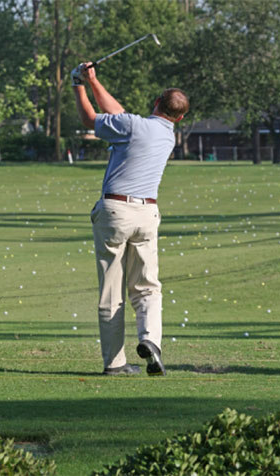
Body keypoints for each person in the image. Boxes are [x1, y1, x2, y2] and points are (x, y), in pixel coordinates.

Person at [71, 62, 189, 376]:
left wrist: (79, 84)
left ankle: (115, 363)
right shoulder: (167, 136)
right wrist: (94, 81)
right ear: (179, 117)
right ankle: (150, 341)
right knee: (148, 286)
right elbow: (121, 116)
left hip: (114, 212)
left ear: (155, 103)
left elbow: (92, 119)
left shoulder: (133, 126)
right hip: (147, 214)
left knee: (112, 289)